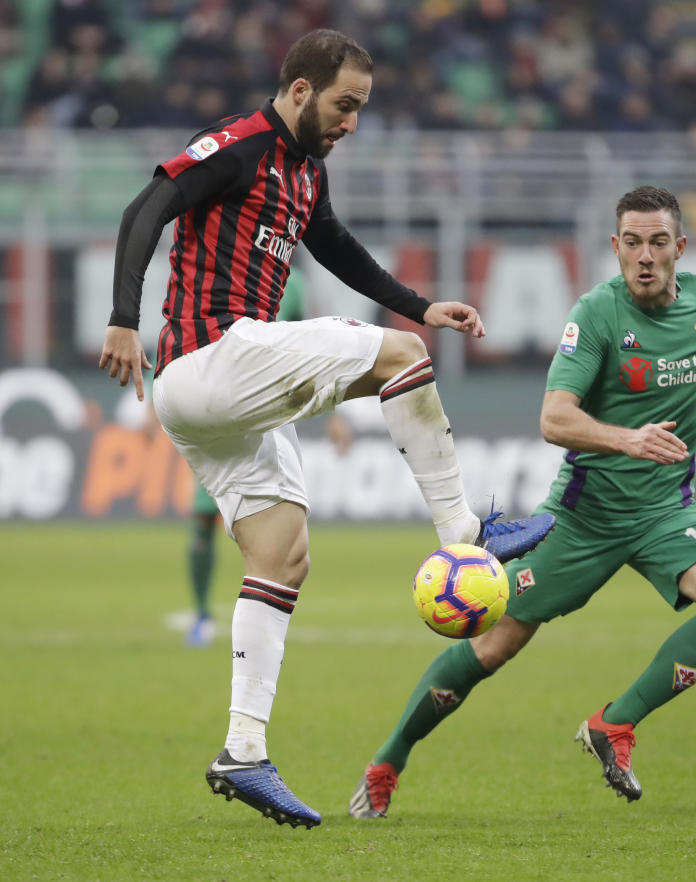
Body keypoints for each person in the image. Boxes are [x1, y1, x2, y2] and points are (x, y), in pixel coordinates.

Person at [98, 29, 554, 830]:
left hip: (222, 393)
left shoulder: (306, 171)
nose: (351, 121)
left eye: (361, 109)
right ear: (301, 89)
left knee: (282, 555)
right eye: (345, 104)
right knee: (400, 359)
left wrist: (420, 304)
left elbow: (333, 244)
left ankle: (242, 751)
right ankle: (464, 530)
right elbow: (148, 206)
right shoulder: (240, 145)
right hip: (211, 356)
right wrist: (121, 319)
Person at [347, 185, 696, 819]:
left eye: (656, 242)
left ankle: (613, 725)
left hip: (666, 512)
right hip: (582, 517)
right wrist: (629, 439)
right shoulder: (596, 314)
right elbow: (554, 419)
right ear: (614, 247)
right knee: (491, 646)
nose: (644, 256)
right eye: (631, 242)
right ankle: (389, 759)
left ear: (679, 246)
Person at [182, 265, 308, 650]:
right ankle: (202, 613)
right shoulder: (221, 267)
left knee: (273, 526)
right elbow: (184, 327)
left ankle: (263, 619)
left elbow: (306, 347)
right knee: (205, 516)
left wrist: (331, 414)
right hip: (217, 409)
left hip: (269, 418)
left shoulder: (295, 284)